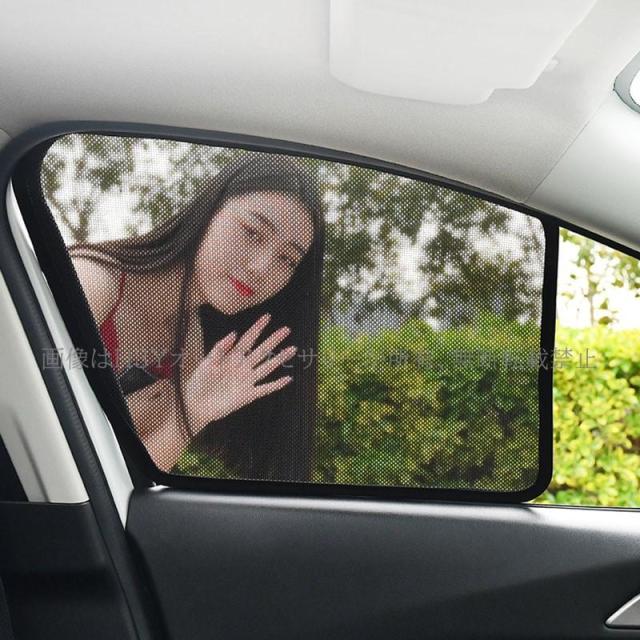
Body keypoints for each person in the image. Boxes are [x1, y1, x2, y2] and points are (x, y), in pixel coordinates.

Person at [69, 153, 325, 481]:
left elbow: (127, 483)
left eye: (287, 260)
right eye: (252, 232)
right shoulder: (92, 283)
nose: (260, 269)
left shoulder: (192, 349)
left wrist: (188, 418)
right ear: (209, 210)